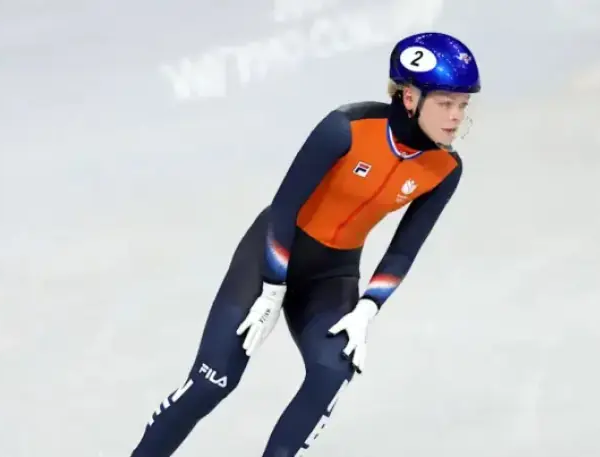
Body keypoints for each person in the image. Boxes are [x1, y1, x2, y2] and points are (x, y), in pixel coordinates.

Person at [129, 31, 481, 457]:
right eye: (446, 103)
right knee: (212, 381)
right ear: (410, 97)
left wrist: (367, 309)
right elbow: (284, 209)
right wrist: (272, 287)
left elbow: (404, 250)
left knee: (332, 372)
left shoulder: (445, 168)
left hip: (332, 275)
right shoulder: (345, 129)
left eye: (463, 105)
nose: (456, 117)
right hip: (272, 254)